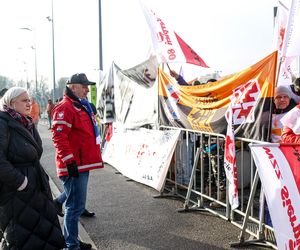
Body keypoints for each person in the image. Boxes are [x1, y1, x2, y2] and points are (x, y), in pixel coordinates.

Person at [0, 87, 65, 249]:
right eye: (24, 100)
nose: (29, 103)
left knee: (43, 234)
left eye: (29, 100)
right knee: (21, 237)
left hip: (36, 188)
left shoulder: (25, 121)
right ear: (11, 103)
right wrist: (21, 182)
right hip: (17, 192)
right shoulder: (3, 123)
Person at [51, 73, 103, 250]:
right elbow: (58, 137)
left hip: (81, 163)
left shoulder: (80, 105)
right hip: (75, 165)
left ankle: (71, 240)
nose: (88, 89)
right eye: (84, 86)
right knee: (75, 207)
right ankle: (71, 246)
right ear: (73, 87)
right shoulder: (65, 107)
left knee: (75, 203)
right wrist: (69, 162)